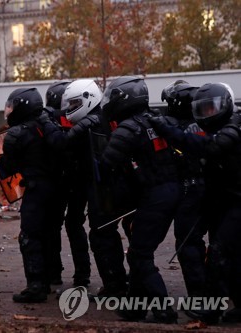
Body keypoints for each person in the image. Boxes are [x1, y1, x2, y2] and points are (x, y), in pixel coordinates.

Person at [149, 83, 241, 324]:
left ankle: (210, 311)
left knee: (220, 252)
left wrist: (168, 132)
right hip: (227, 199)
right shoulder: (221, 128)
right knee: (229, 254)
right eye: (203, 109)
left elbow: (208, 148)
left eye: (212, 109)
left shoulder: (231, 129)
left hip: (236, 202)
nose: (207, 115)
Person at [39, 79, 131, 297]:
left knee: (102, 236)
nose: (69, 110)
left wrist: (44, 120)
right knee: (102, 234)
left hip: (103, 187)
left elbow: (61, 142)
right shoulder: (102, 118)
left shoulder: (91, 121)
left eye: (73, 104)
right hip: (100, 185)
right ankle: (115, 283)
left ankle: (115, 286)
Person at [100, 76, 180, 323]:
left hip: (154, 195)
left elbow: (107, 164)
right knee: (139, 250)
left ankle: (163, 309)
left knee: (139, 254)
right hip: (171, 191)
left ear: (123, 98)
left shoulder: (127, 127)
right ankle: (135, 308)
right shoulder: (158, 119)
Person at [0, 88, 56, 303]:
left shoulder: (16, 134)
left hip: (35, 190)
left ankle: (36, 287)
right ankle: (48, 280)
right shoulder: (48, 125)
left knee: (29, 237)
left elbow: (9, 167)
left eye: (12, 105)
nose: (9, 110)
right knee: (48, 234)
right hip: (56, 188)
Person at [42, 79, 92, 287]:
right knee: (74, 226)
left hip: (61, 181)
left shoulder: (51, 123)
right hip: (77, 181)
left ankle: (55, 273)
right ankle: (82, 274)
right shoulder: (82, 119)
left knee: (54, 226)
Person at [160, 80, 208, 298]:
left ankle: (200, 297)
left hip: (191, 191)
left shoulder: (177, 128)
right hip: (212, 190)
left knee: (188, 243)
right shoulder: (208, 123)